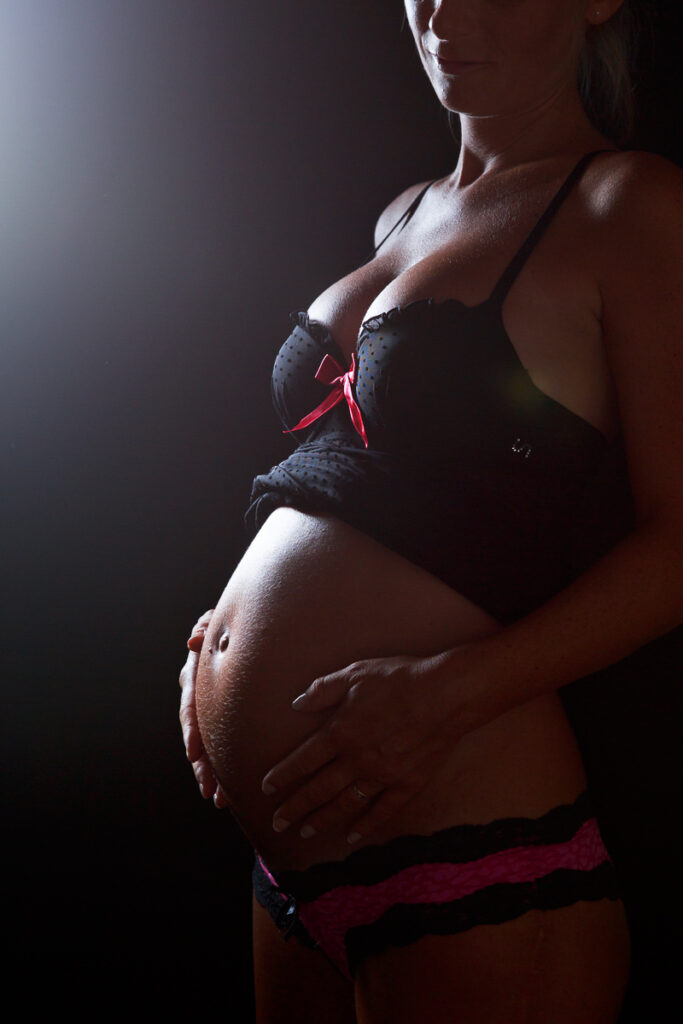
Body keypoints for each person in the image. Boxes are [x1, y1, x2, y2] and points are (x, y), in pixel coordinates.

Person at [179, 1, 682, 1021]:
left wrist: (451, 694)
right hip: (298, 862)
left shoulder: (626, 205)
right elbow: (370, 485)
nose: (446, 11)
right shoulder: (399, 216)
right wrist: (220, 639)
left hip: (466, 833)